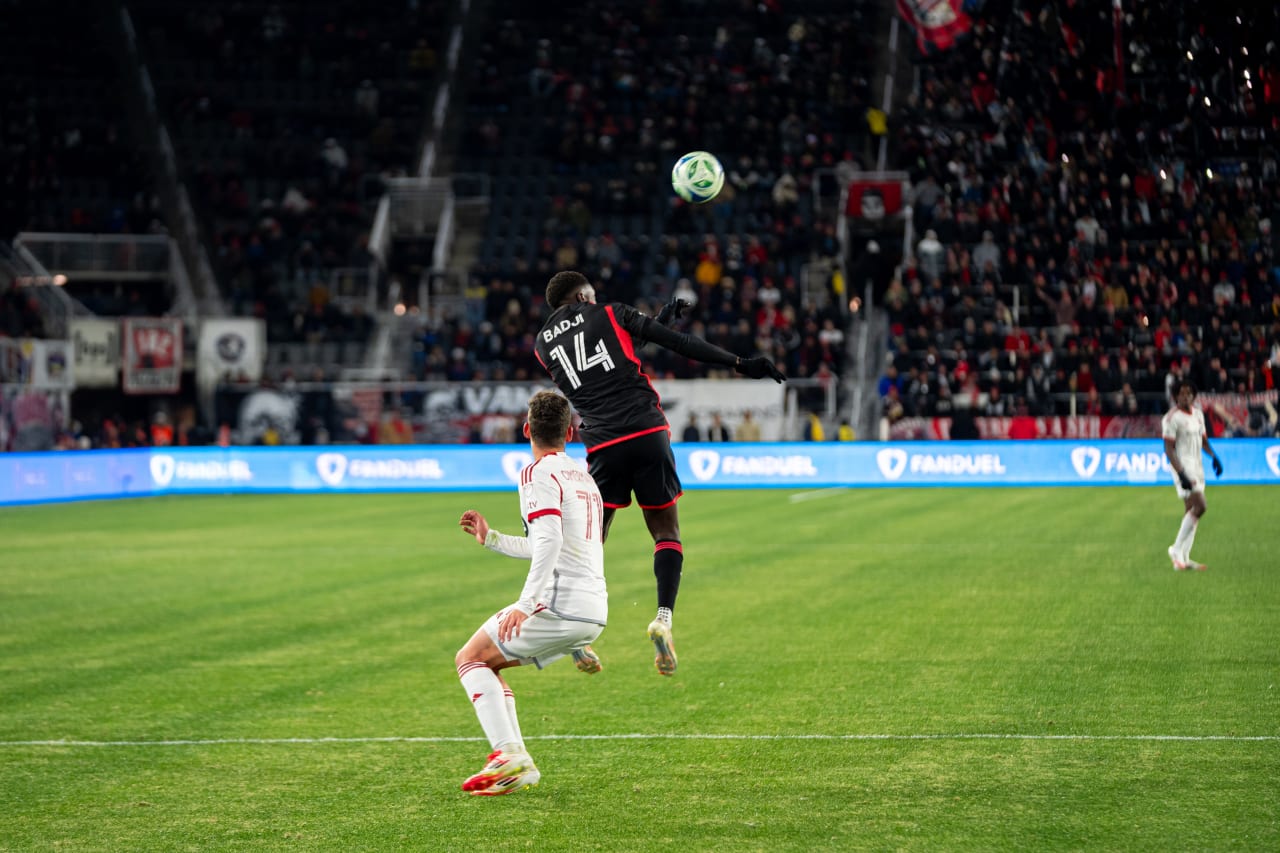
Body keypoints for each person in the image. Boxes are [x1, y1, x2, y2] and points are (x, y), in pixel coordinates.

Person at [534, 270, 786, 676]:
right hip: (647, 431)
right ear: (582, 296)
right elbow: (681, 345)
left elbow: (602, 358)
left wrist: (658, 319)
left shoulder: (542, 345)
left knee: (590, 539)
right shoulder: (611, 312)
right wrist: (740, 363)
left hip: (601, 444)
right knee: (666, 533)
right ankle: (662, 619)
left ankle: (573, 632)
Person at [454, 390, 607, 795]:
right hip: (594, 610)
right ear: (571, 433)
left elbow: (551, 542)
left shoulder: (536, 473)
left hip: (559, 604)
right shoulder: (585, 478)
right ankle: (514, 759)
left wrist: (526, 604)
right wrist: (493, 539)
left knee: (469, 658)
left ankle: (511, 757)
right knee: (491, 663)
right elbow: (559, 546)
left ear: (526, 430)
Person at [1161, 380, 1223, 571]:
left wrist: (1214, 457)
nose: (1185, 396)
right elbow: (1169, 449)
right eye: (1181, 393)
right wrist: (1181, 473)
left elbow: (1203, 441)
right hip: (1183, 467)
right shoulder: (1171, 418)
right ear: (1175, 396)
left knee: (1191, 511)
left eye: (1189, 393)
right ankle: (1176, 549)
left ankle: (1184, 558)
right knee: (1201, 505)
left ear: (1193, 395)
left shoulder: (1197, 414)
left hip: (1197, 466)